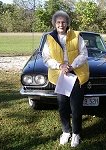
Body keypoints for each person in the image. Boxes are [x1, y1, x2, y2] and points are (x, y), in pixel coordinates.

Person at [42, 10, 89, 147]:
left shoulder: (76, 36)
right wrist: (60, 66)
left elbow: (83, 54)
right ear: (55, 24)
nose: (61, 24)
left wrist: (72, 66)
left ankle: (76, 133)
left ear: (67, 23)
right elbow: (46, 58)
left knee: (76, 107)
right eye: (58, 22)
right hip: (61, 75)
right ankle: (66, 131)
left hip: (76, 74)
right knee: (63, 106)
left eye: (63, 22)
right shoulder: (49, 38)